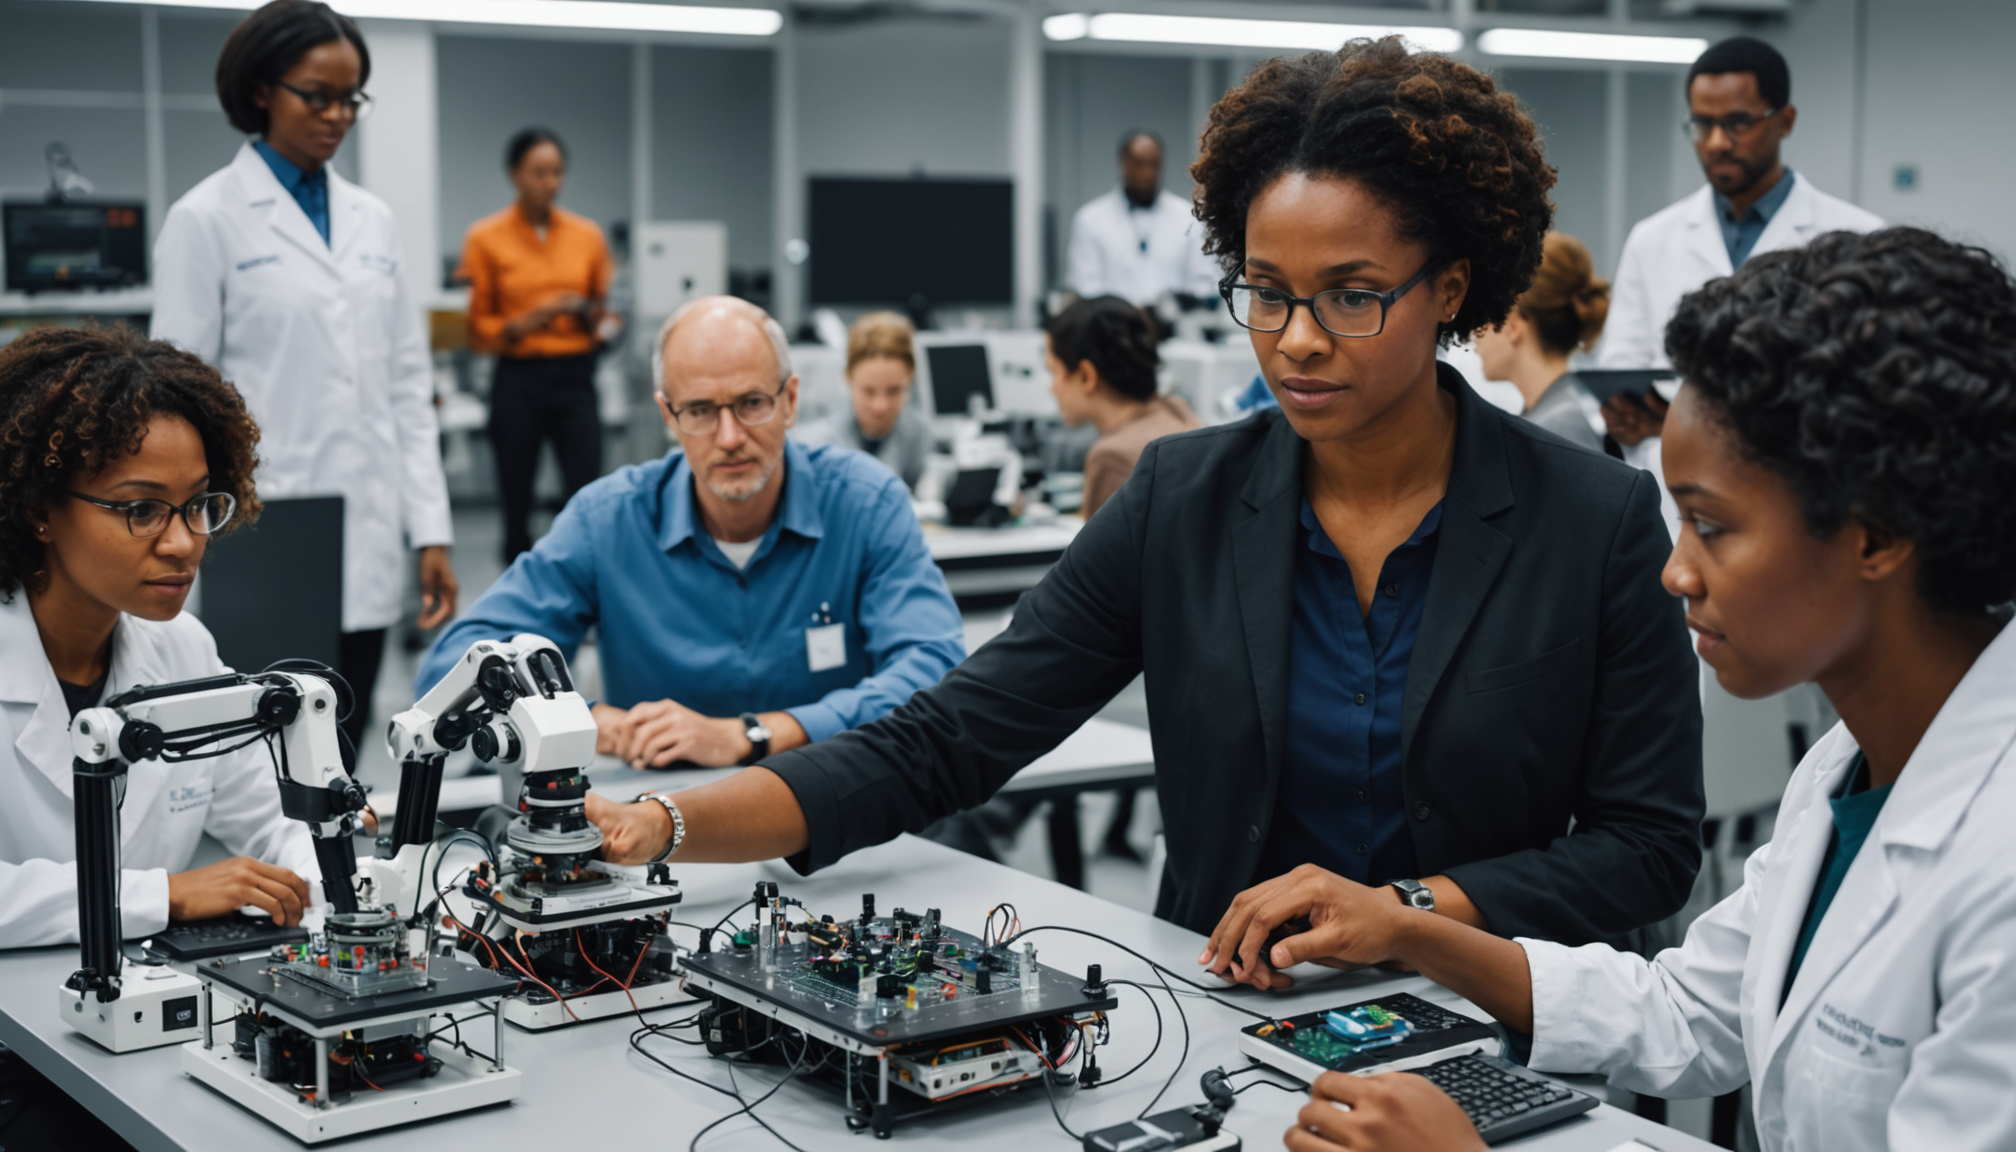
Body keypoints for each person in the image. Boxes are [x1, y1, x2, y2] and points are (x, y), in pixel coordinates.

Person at [585, 41, 1705, 953]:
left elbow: (1648, 848)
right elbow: (946, 740)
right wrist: (668, 822)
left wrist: (1414, 914)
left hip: (1488, 1029)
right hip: (1232, 1016)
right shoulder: (1186, 500)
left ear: (1450, 287)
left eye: (1353, 297)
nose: (1298, 342)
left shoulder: (1591, 519)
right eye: (1265, 294)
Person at [1257, 228, 2016, 1152]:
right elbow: (1687, 1009)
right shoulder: (1847, 767)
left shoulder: (1999, 864)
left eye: (1711, 526)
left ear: (1878, 533)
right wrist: (1404, 925)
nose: (1676, 572)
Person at [417, 297, 964, 770]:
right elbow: (449, 670)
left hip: (836, 807)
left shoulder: (866, 503)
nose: (729, 438)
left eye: (752, 403)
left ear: (790, 401)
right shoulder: (608, 521)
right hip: (659, 828)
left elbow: (933, 668)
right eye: (699, 410)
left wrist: (756, 733)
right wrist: (591, 722)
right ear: (668, 417)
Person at [152, 0, 458, 752]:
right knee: (276, 747)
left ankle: (342, 875)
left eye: (350, 97)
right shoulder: (207, 219)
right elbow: (173, 403)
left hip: (372, 517)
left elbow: (405, 389)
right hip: (269, 523)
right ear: (261, 90)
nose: (337, 115)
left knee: (345, 735)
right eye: (316, 95)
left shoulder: (373, 220)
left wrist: (433, 528)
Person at [0, 325, 325, 946]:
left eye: (198, 505)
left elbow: (276, 822)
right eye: (141, 510)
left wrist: (337, 892)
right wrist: (164, 895)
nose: (183, 544)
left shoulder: (183, 651)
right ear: (40, 510)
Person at [1596, 36, 1880, 518]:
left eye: (1738, 123)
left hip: (1802, 498)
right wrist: (1623, 416)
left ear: (1785, 121)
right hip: (1675, 498)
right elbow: (1617, 369)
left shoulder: (1859, 238)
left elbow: (1869, 394)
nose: (1716, 142)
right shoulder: (1653, 238)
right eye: (1702, 123)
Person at [459, 127, 614, 562]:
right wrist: (531, 320)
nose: (550, 182)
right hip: (518, 378)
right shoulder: (486, 238)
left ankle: (584, 587)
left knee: (586, 495)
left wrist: (588, 313)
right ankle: (516, 600)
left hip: (575, 375)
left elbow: (604, 312)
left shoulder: (587, 236)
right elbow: (478, 330)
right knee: (515, 501)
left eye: (557, 172)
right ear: (515, 174)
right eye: (539, 172)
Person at [1049, 295, 1202, 519]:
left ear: (1086, 376)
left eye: (1055, 373)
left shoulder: (1111, 457)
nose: (1051, 389)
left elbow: (1099, 553)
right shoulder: (1176, 410)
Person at [1471, 233, 1608, 453]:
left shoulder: (1561, 428)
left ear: (1513, 324)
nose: (1474, 333)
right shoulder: (1551, 417)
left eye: (1486, 315)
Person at [1067, 130, 1220, 308]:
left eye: (1154, 164)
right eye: (1138, 163)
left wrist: (1171, 309)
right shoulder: (1090, 219)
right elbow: (1086, 287)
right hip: (1110, 328)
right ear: (1123, 163)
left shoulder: (1189, 217)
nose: (1147, 173)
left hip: (1173, 329)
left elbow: (1203, 283)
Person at [795, 311, 932, 488]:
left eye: (894, 391)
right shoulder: (815, 446)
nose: (880, 406)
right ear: (847, 379)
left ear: (910, 380)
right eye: (869, 391)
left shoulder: (918, 435)